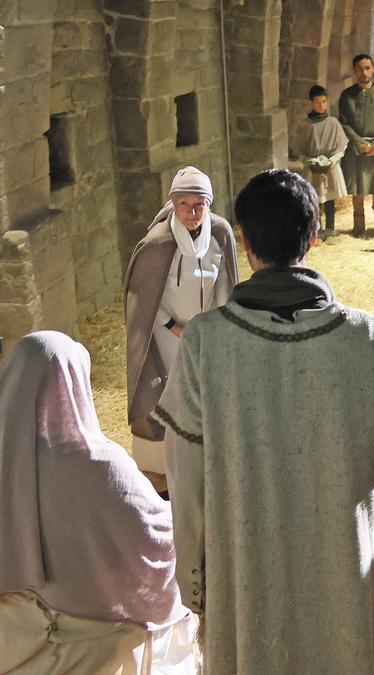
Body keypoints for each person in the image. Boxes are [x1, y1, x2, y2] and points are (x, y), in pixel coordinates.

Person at [154, 168, 374, 673]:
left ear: (243, 242)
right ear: (313, 238)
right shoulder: (366, 337)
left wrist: (195, 580)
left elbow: (183, 473)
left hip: (244, 574)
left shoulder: (205, 341)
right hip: (339, 575)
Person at [0, 331, 197, 674]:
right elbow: (152, 537)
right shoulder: (98, 466)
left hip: (15, 628)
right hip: (94, 630)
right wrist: (186, 512)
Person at [123, 166, 238, 479]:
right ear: (173, 204)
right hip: (165, 337)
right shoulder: (156, 244)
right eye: (184, 204)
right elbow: (144, 301)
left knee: (207, 397)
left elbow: (226, 284)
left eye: (199, 204)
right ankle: (162, 471)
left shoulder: (220, 233)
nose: (192, 212)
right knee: (164, 397)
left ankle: (208, 466)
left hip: (206, 336)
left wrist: (218, 326)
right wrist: (175, 326)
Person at [339, 54, 374, 236]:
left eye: (367, 68)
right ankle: (358, 227)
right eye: (360, 69)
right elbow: (344, 123)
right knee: (358, 189)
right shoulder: (347, 96)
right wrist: (358, 142)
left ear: (373, 69)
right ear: (354, 71)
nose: (364, 72)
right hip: (356, 150)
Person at [298, 84, 349, 239]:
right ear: (311, 103)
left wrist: (332, 160)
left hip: (330, 166)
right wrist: (309, 160)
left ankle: (331, 228)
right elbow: (300, 147)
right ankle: (317, 229)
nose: (321, 105)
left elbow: (341, 146)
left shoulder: (333, 123)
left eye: (323, 101)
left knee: (329, 199)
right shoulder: (306, 125)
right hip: (313, 167)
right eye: (317, 102)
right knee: (315, 198)